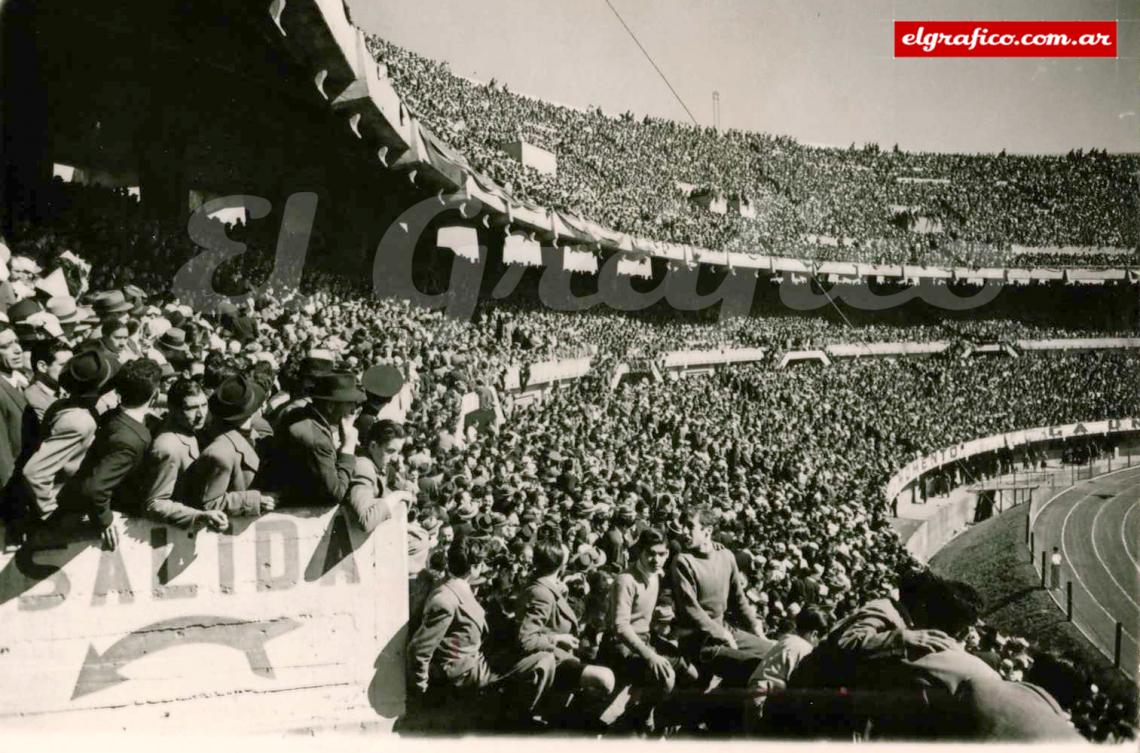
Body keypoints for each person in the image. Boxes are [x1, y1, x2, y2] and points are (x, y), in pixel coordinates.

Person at [408, 536, 557, 726]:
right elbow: (419, 649)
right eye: (483, 563)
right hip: (464, 671)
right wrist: (422, 687)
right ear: (474, 567)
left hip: (472, 658)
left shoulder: (455, 586)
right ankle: (517, 721)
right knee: (544, 660)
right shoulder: (445, 599)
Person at [51, 358, 162, 549]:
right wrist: (105, 519)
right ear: (156, 394)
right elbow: (95, 489)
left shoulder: (112, 417)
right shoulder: (131, 440)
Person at [517, 533, 616, 728]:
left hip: (558, 654)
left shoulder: (543, 584)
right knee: (606, 679)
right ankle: (569, 721)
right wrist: (557, 638)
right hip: (548, 659)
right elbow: (525, 640)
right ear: (560, 564)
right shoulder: (542, 593)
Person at [670, 505, 773, 688]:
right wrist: (721, 634)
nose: (684, 531)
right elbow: (690, 609)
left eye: (690, 526)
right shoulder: (683, 561)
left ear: (707, 531)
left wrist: (758, 631)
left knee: (774, 654)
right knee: (755, 666)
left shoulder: (726, 556)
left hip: (725, 630)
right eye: (683, 525)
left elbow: (739, 600)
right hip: (699, 639)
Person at [600, 527, 692, 730]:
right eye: (650, 553)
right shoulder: (626, 580)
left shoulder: (657, 574)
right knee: (667, 678)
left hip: (645, 639)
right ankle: (642, 715)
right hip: (620, 646)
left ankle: (653, 709)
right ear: (640, 552)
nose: (656, 559)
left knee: (691, 671)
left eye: (661, 554)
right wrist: (650, 655)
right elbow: (620, 626)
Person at [16, 350, 116, 521]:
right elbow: (34, 473)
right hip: (66, 507)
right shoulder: (79, 420)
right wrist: (52, 513)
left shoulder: (66, 404)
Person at [259, 371, 362, 507]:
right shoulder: (317, 440)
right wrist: (348, 447)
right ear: (330, 406)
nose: (354, 410)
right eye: (350, 403)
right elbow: (336, 493)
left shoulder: (299, 414)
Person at [136, 378, 227, 530]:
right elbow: (154, 504)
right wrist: (198, 516)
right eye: (191, 408)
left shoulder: (192, 428)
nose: (200, 414)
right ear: (173, 409)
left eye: (204, 405)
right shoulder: (167, 447)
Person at [185, 374, 277, 517]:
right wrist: (254, 500)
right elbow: (210, 503)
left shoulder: (252, 435)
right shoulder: (219, 453)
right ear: (252, 411)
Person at [744, 606, 831, 728]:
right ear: (814, 634)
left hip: (754, 696)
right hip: (764, 703)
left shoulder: (786, 641)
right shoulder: (805, 649)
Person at [346, 418, 414, 532]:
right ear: (373, 446)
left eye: (398, 452)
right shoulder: (363, 467)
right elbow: (366, 520)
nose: (395, 458)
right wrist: (397, 496)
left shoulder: (376, 462)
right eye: (390, 451)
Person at [0, 324, 28, 491]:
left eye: (16, 341)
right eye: (4, 346)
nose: (17, 350)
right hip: (16, 485)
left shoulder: (24, 377)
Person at [24, 340, 72, 423]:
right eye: (64, 365)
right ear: (42, 366)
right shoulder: (32, 400)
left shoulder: (66, 390)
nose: (71, 370)